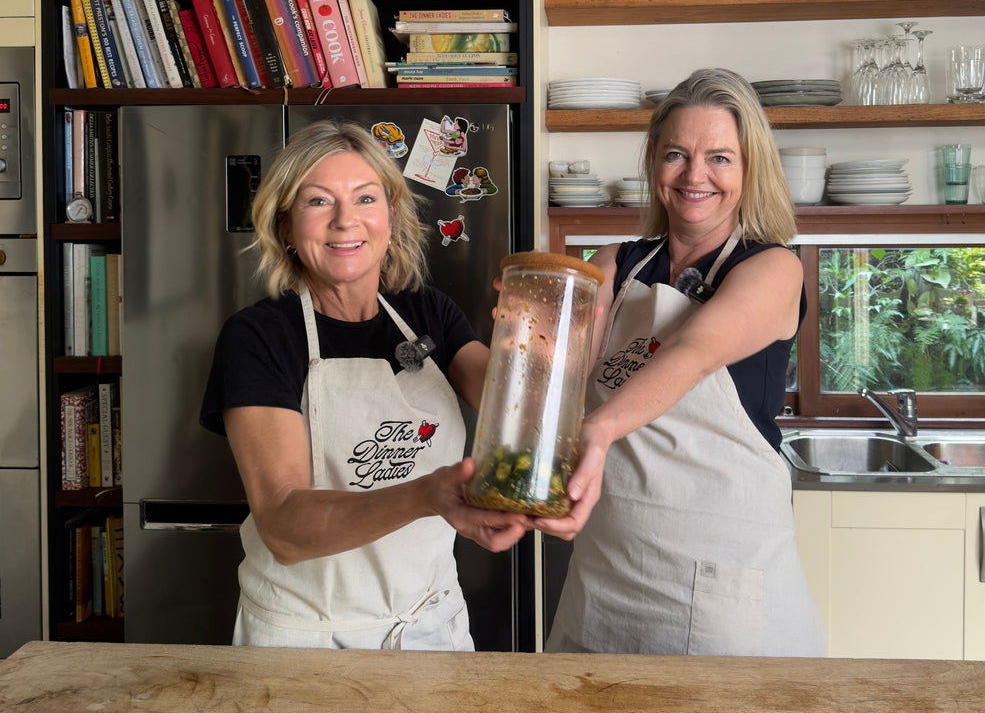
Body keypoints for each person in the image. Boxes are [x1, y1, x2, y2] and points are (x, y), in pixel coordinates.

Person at [200, 119, 530, 650]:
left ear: (391, 216)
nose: (344, 221)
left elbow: (514, 410)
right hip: (307, 640)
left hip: (431, 628)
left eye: (365, 198)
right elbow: (283, 527)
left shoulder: (430, 313)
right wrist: (428, 495)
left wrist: (532, 335)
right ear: (285, 226)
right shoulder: (258, 337)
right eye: (317, 202)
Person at [539, 68, 826, 657]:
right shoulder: (616, 263)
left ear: (750, 166)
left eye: (719, 157)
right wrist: (529, 321)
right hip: (602, 582)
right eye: (677, 154)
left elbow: (694, 353)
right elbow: (561, 375)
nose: (696, 175)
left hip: (719, 591)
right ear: (653, 160)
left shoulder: (772, 268)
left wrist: (599, 428)